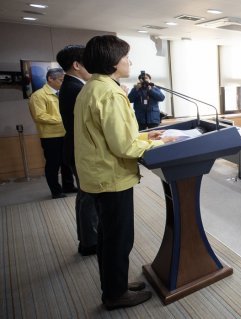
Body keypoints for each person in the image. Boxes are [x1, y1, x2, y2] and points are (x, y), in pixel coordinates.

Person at [75, 35, 175, 310]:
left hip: (97, 174)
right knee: (118, 239)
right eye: (126, 57)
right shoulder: (111, 93)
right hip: (111, 177)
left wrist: (144, 137)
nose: (130, 62)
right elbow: (122, 145)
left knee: (108, 237)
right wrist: (156, 143)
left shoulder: (92, 87)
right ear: (113, 61)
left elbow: (113, 136)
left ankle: (114, 285)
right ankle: (115, 295)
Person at [56, 44, 97, 256]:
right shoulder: (77, 89)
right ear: (76, 64)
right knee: (89, 199)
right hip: (80, 150)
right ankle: (90, 242)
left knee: (84, 197)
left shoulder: (71, 86)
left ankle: (87, 239)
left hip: (73, 147)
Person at [28, 67, 76, 199]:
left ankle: (69, 186)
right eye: (61, 80)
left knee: (67, 162)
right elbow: (39, 116)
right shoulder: (38, 95)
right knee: (53, 164)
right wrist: (62, 119)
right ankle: (56, 191)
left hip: (65, 133)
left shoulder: (63, 93)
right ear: (50, 79)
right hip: (50, 136)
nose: (63, 83)